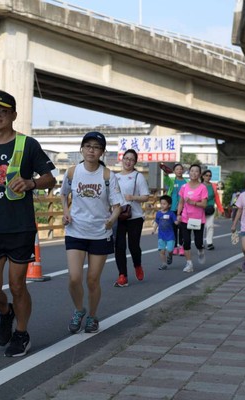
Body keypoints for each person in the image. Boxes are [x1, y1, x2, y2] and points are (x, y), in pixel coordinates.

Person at [0, 90, 56, 357]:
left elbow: (50, 178)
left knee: (17, 285)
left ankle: (21, 333)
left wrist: (31, 183)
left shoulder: (28, 145)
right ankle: (6, 312)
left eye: (2, 111)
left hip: (20, 227)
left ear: (13, 114)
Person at [61, 131, 123, 334]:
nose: (91, 150)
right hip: (75, 230)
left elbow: (117, 206)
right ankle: (79, 310)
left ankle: (93, 316)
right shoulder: (72, 172)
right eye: (88, 146)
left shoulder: (107, 176)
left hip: (99, 233)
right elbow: (63, 194)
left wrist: (111, 220)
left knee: (92, 279)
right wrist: (66, 212)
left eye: (96, 147)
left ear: (102, 152)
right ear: (82, 149)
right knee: (74, 278)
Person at [113, 149, 150, 287]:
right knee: (119, 246)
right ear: (122, 160)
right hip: (118, 216)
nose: (128, 161)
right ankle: (122, 275)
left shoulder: (137, 176)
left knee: (133, 246)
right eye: (126, 158)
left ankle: (137, 265)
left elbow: (146, 196)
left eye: (131, 160)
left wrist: (133, 197)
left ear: (135, 162)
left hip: (134, 216)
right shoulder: (114, 177)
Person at [176, 164, 208, 273]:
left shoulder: (202, 187)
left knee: (198, 242)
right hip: (186, 218)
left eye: (196, 171)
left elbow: (204, 204)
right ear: (189, 173)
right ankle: (189, 264)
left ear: (199, 174)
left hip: (198, 219)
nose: (193, 173)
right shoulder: (184, 187)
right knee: (186, 241)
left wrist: (193, 202)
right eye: (192, 171)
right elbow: (181, 202)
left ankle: (200, 250)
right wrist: (178, 214)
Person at [160, 163, 187, 256]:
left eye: (180, 169)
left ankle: (182, 246)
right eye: (177, 169)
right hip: (172, 208)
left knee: (182, 228)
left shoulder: (186, 182)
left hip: (184, 208)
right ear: (174, 171)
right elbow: (166, 180)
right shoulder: (172, 180)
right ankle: (175, 247)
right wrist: (165, 173)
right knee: (173, 228)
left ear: (182, 171)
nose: (179, 171)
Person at [152, 195, 177, 270]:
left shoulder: (171, 213)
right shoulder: (158, 213)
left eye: (164, 204)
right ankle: (164, 264)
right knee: (162, 250)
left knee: (169, 250)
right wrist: (154, 229)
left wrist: (178, 221)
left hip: (170, 235)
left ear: (169, 205)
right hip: (161, 235)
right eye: (161, 203)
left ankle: (170, 255)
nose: (162, 205)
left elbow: (175, 222)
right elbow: (156, 222)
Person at [201, 169, 224, 250]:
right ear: (203, 176)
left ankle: (209, 242)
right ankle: (200, 242)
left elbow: (217, 198)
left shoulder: (213, 186)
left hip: (210, 208)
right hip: (200, 208)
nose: (208, 177)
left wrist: (221, 209)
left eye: (210, 176)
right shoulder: (199, 185)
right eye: (206, 175)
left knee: (210, 226)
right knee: (201, 226)